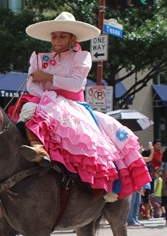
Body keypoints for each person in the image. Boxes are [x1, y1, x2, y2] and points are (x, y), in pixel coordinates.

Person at [12, 12, 151, 201]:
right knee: (26, 112)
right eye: (54, 35)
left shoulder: (81, 57)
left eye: (62, 36)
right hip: (44, 100)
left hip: (73, 106)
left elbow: (76, 85)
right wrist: (46, 97)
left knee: (92, 140)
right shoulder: (39, 57)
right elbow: (31, 84)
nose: (57, 39)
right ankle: (29, 155)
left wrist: (47, 78)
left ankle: (101, 183)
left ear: (72, 38)